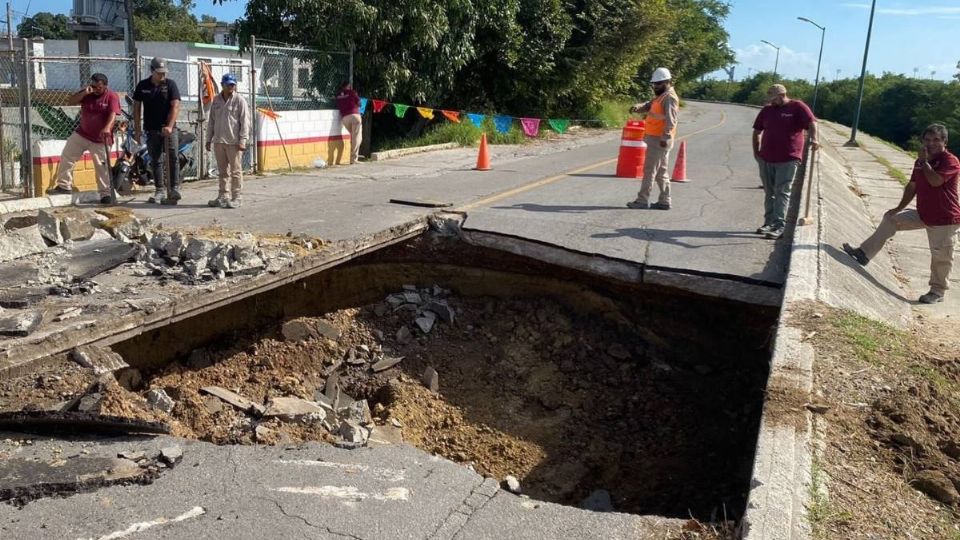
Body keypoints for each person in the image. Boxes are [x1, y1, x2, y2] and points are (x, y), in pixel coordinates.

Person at [843, 123, 960, 304]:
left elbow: (936, 181)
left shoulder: (949, 161)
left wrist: (924, 162)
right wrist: (898, 208)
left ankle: (937, 292)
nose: (931, 143)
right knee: (891, 220)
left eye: (936, 140)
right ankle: (863, 254)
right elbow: (912, 186)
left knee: (941, 257)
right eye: (927, 140)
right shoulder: (920, 162)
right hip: (924, 213)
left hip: (945, 220)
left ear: (945, 141)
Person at [752, 84, 819, 239]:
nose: (771, 101)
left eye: (774, 98)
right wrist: (757, 153)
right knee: (769, 192)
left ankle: (779, 225)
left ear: (782, 95)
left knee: (782, 191)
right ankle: (768, 222)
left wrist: (814, 138)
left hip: (789, 158)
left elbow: (812, 122)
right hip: (767, 158)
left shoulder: (797, 107)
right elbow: (757, 131)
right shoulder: (767, 110)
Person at [45, 73, 120, 205]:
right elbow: (71, 101)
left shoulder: (111, 96)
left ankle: (106, 194)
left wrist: (107, 127)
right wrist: (84, 93)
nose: (96, 89)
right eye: (93, 86)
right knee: (67, 156)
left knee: (101, 166)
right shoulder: (87, 93)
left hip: (100, 139)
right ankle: (64, 186)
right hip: (82, 134)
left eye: (99, 87)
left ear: (105, 86)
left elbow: (113, 114)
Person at [626, 67, 680, 210]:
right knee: (661, 172)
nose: (655, 86)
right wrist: (639, 107)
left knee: (650, 170)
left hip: (659, 139)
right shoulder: (661, 95)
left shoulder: (669, 97)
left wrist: (665, 137)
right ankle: (664, 201)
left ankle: (642, 200)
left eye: (658, 84)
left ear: (667, 82)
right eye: (654, 84)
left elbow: (671, 120)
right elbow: (650, 105)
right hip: (656, 138)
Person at [133, 57, 182, 205]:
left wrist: (170, 125)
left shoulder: (170, 85)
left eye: (164, 73)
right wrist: (137, 129)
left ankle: (174, 188)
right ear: (152, 71)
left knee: (173, 156)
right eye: (159, 73)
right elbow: (136, 107)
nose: (162, 76)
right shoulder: (143, 85)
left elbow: (175, 106)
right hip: (151, 128)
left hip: (169, 128)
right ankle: (159, 189)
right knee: (156, 159)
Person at [206, 73, 250, 209]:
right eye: (228, 84)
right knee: (222, 171)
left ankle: (237, 197)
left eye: (233, 84)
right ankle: (223, 196)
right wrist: (208, 139)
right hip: (219, 141)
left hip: (234, 142)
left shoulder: (239, 100)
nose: (231, 87)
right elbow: (211, 121)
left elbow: (245, 122)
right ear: (222, 85)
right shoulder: (216, 100)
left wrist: (243, 139)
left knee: (236, 171)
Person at [335, 81, 362, 164]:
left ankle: (353, 157)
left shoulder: (338, 95)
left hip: (344, 118)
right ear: (349, 86)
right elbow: (360, 103)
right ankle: (354, 159)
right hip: (354, 116)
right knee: (357, 138)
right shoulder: (352, 92)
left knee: (353, 137)